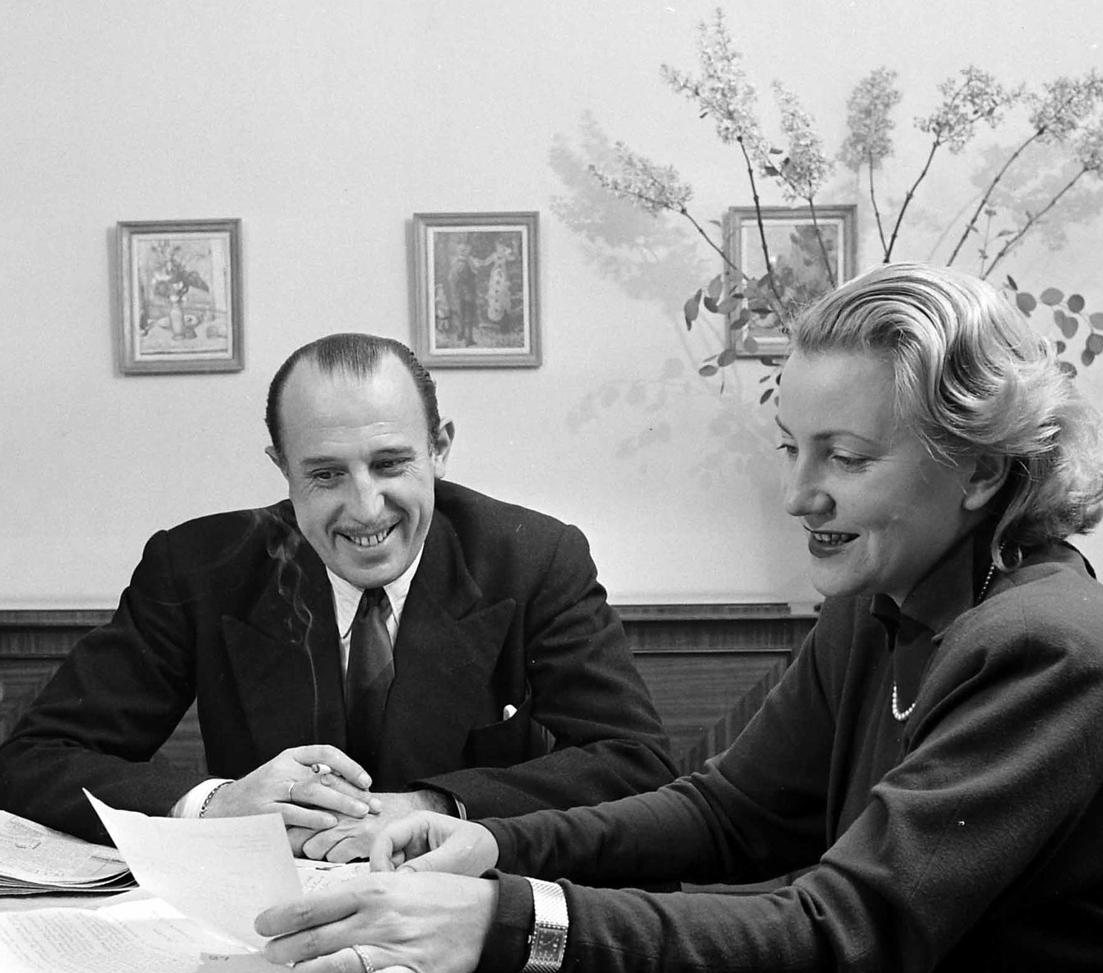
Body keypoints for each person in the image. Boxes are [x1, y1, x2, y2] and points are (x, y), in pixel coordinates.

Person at [254, 267, 1103, 973]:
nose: (800, 496)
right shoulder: (881, 608)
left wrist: (511, 919)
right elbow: (721, 812)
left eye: (846, 459)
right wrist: (493, 844)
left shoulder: (1055, 646)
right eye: (793, 449)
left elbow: (836, 938)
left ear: (982, 471)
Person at [0, 333, 675, 859]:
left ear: (439, 448)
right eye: (325, 474)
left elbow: (634, 762)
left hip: (470, 914)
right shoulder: (198, 568)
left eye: (390, 464)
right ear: (282, 469)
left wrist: (434, 804)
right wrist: (216, 806)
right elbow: (34, 762)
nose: (364, 508)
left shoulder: (533, 558)